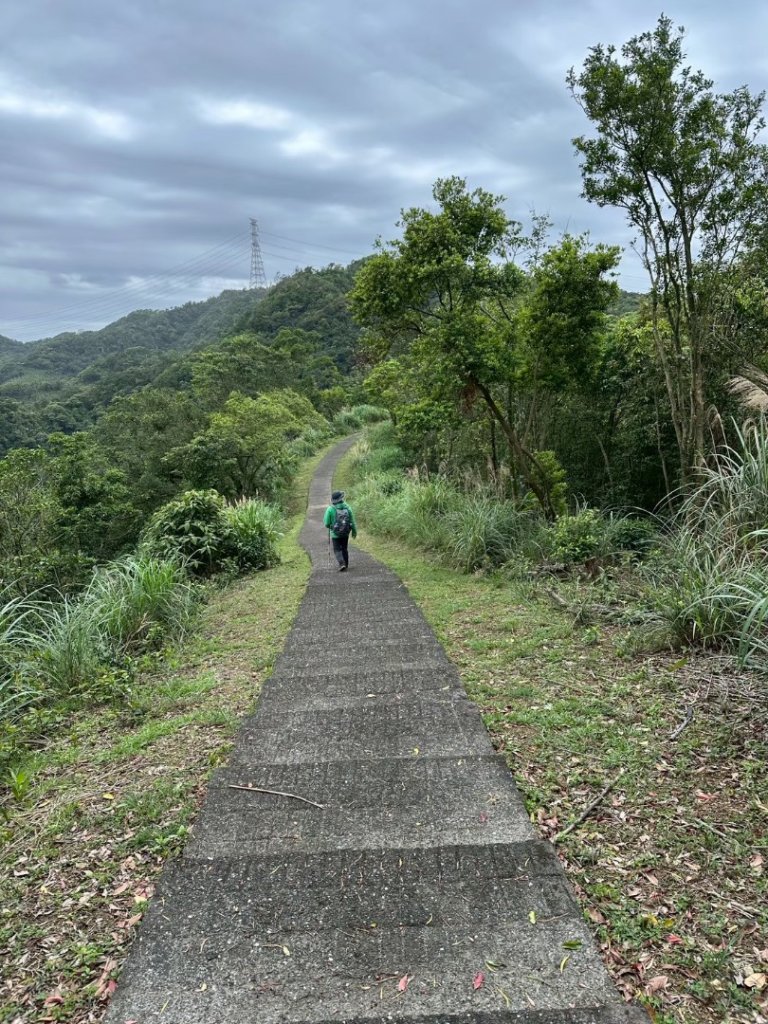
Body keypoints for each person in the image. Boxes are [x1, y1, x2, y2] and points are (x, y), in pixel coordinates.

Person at [323, 490, 357, 571]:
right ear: (341, 498)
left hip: (335, 534)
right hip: (345, 533)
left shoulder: (330, 509)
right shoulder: (347, 507)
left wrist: (330, 527)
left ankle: (342, 563)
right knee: (344, 548)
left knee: (337, 549)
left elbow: (327, 523)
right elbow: (352, 521)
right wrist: (354, 531)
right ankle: (346, 564)